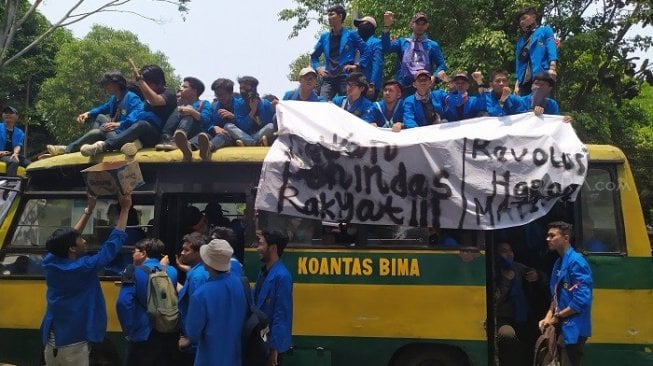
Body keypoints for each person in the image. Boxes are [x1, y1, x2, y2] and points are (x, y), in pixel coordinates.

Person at [40, 192, 131, 366]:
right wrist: (125, 209)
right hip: (74, 343)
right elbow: (112, 246)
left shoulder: (50, 262)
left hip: (52, 340)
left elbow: (69, 237)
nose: (84, 239)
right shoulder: (83, 268)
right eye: (80, 239)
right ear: (72, 249)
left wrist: (89, 209)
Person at [79, 62, 177, 158]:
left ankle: (102, 146)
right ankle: (125, 144)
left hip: (155, 135)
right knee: (105, 127)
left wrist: (140, 80)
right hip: (137, 133)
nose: (142, 87)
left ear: (157, 82)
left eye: (146, 84)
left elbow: (155, 100)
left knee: (143, 124)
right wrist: (120, 124)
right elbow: (136, 113)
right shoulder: (142, 96)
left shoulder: (169, 93)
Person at [46, 70, 144, 157]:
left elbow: (137, 116)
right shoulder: (114, 98)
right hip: (113, 129)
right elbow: (103, 108)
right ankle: (94, 142)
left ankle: (67, 149)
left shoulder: (132, 98)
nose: (105, 88)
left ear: (117, 84)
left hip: (121, 133)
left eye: (107, 84)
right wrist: (88, 114)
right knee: (100, 117)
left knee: (97, 132)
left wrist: (118, 124)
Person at [116, 238, 179, 366]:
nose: (132, 255)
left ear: (143, 253)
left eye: (134, 251)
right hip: (167, 329)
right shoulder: (171, 271)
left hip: (143, 332)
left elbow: (123, 302)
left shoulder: (133, 271)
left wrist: (129, 330)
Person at [185, 239, 247, 366]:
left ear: (207, 262)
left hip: (209, 358)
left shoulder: (201, 294)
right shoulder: (240, 284)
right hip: (235, 357)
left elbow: (193, 334)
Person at [539, 221, 593, 366]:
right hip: (560, 326)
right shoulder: (559, 262)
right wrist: (548, 317)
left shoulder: (577, 262)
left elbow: (581, 301)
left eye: (552, 236)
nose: (547, 239)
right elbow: (556, 295)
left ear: (566, 238)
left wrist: (557, 317)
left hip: (573, 329)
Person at [495, 242, 546, 366]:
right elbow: (494, 302)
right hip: (502, 318)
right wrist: (506, 281)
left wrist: (537, 275)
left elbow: (542, 277)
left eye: (510, 250)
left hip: (522, 317)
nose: (509, 254)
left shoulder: (517, 267)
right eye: (504, 251)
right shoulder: (493, 270)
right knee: (508, 335)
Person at [381, 11, 449, 95]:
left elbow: (442, 65)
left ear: (427, 26)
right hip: (403, 88)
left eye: (423, 24)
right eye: (417, 23)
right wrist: (386, 26)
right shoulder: (402, 42)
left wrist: (434, 77)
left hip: (423, 87)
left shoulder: (432, 45)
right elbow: (385, 48)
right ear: (412, 24)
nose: (420, 26)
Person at [311, 4, 370, 100]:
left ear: (340, 16)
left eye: (331, 14)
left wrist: (357, 65)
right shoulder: (324, 37)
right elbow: (314, 56)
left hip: (345, 77)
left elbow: (367, 50)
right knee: (321, 104)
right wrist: (318, 68)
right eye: (328, 15)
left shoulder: (351, 35)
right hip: (328, 77)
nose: (329, 17)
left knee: (346, 105)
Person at [254, 229, 293, 366]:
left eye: (261, 244)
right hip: (261, 342)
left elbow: (281, 315)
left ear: (273, 248)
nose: (258, 248)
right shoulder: (264, 272)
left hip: (270, 346)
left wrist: (274, 349)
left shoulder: (282, 277)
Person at [155, 77, 213, 161]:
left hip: (195, 133)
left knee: (189, 115)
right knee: (178, 110)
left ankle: (177, 139)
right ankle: (166, 137)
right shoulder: (179, 104)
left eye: (185, 87)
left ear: (194, 90)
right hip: (177, 132)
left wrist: (193, 112)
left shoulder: (204, 103)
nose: (181, 89)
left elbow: (206, 120)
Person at [174, 232, 209, 366]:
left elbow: (199, 309)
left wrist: (190, 339)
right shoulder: (197, 272)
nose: (182, 253)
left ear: (199, 253)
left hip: (193, 343)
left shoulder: (197, 277)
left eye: (186, 250)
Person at [190, 78, 238, 161]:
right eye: (217, 94)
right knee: (204, 135)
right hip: (214, 135)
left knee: (223, 136)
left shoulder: (240, 105)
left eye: (222, 94)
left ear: (230, 93)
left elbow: (247, 124)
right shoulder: (214, 106)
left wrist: (234, 117)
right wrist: (213, 127)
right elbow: (207, 122)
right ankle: (189, 145)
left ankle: (208, 147)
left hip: (232, 137)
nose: (219, 97)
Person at [514, 6, 558, 96]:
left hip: (542, 76)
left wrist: (552, 67)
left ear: (534, 17)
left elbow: (551, 47)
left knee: (540, 106)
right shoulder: (520, 41)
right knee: (524, 108)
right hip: (524, 80)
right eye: (520, 20)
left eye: (524, 18)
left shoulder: (545, 31)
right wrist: (517, 83)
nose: (521, 22)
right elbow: (519, 63)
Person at [224, 76, 275, 147]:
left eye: (245, 88)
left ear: (253, 89)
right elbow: (242, 126)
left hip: (259, 134)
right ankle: (254, 143)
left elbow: (265, 124)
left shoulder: (265, 103)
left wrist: (257, 110)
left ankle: (248, 142)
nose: (242, 91)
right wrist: (252, 111)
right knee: (228, 126)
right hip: (244, 134)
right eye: (241, 88)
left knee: (271, 126)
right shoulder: (238, 104)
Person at [354, 16, 383, 99]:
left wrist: (372, 85)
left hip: (368, 86)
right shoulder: (357, 43)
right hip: (355, 84)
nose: (359, 27)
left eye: (361, 24)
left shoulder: (376, 43)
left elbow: (377, 64)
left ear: (369, 26)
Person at [0, 106, 29, 177]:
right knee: (13, 162)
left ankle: (30, 185)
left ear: (16, 116)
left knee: (31, 165)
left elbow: (18, 145)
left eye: (11, 113)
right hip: (2, 155)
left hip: (11, 154)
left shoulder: (19, 132)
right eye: (5, 112)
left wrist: (15, 153)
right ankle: (9, 185)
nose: (7, 114)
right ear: (2, 115)